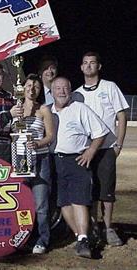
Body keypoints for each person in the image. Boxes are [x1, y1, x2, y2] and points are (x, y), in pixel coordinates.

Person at [73, 51, 129, 246]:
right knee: (90, 190)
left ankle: (108, 228)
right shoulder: (76, 94)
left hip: (106, 149)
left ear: (99, 66)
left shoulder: (110, 87)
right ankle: (93, 226)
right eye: (85, 63)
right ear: (81, 67)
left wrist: (118, 145)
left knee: (106, 191)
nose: (88, 66)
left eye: (92, 63)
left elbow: (121, 116)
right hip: (85, 150)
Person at [51, 77, 109, 258]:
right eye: (58, 88)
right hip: (55, 162)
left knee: (79, 200)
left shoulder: (80, 109)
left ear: (70, 91)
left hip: (76, 161)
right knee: (64, 203)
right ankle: (81, 237)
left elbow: (100, 132)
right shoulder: (47, 112)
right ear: (52, 91)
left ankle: (83, 238)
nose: (61, 91)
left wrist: (91, 151)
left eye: (65, 88)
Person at [16, 74, 54, 254]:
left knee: (41, 204)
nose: (32, 89)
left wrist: (38, 143)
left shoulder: (44, 109)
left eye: (36, 86)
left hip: (40, 160)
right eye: (29, 85)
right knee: (22, 203)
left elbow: (50, 136)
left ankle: (43, 238)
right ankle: (23, 237)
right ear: (23, 88)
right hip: (20, 160)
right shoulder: (16, 108)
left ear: (40, 90)